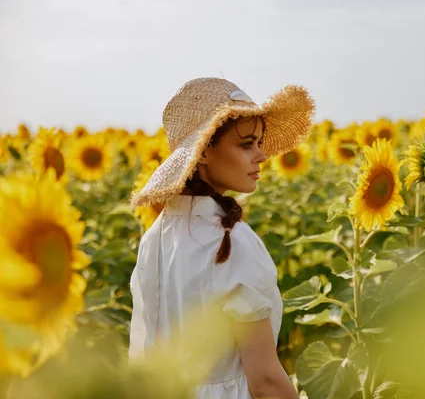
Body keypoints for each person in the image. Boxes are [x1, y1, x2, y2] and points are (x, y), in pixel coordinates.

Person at [128, 77, 315, 398]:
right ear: (202, 152)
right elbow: (266, 383)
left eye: (259, 142)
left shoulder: (156, 235)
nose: (261, 156)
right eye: (246, 145)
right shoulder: (233, 243)